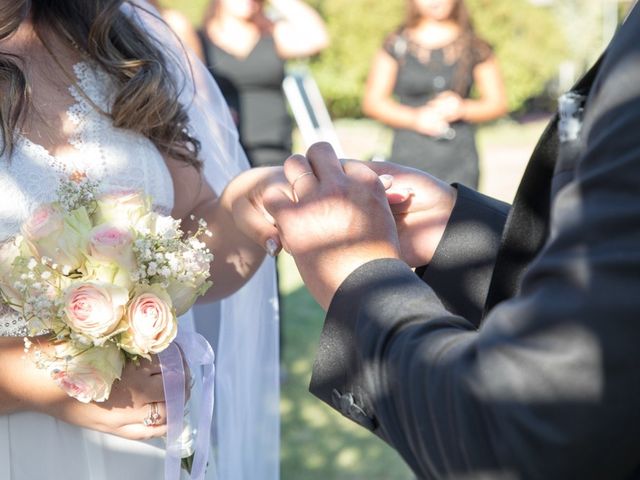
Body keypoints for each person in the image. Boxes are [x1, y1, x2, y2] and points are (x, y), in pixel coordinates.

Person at [262, 2, 640, 478]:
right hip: (414, 151)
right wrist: (461, 229)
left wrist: (361, 278)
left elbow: (529, 430)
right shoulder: (396, 44)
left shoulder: (476, 47)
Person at [0, 1, 283, 479]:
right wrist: (51, 379)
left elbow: (194, 236)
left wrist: (251, 211)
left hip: (146, 450)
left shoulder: (114, 33)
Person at [363, 0, 507, 188]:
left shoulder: (474, 45)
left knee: (462, 216)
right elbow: (373, 102)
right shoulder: (397, 44)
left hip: (460, 161)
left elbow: (498, 103)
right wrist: (415, 118)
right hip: (408, 158)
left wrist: (462, 109)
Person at [198, 0, 328, 167]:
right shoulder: (198, 40)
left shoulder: (272, 34)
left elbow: (317, 38)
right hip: (222, 155)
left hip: (274, 153)